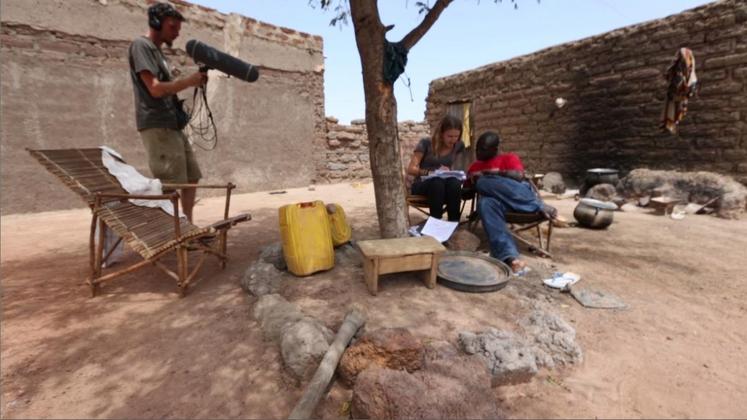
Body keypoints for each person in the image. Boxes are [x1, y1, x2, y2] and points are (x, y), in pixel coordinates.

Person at [128, 2, 207, 222]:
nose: (177, 32)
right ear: (156, 23)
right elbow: (154, 88)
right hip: (157, 124)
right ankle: (170, 233)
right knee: (170, 183)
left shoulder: (158, 53)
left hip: (172, 124)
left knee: (191, 177)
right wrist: (187, 82)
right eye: (173, 27)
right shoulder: (141, 46)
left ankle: (186, 226)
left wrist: (193, 82)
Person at [467, 131, 556, 272]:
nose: (478, 152)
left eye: (483, 149)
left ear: (494, 149)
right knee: (485, 202)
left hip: (518, 196)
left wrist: (490, 174)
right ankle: (509, 256)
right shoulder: (474, 166)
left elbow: (519, 177)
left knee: (484, 181)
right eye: (477, 149)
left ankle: (537, 205)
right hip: (500, 205)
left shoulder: (509, 158)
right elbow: (467, 191)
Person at [405, 115, 466, 221]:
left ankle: (453, 223)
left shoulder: (459, 145)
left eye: (456, 136)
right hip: (423, 184)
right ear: (441, 133)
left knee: (455, 183)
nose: (453, 140)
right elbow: (411, 169)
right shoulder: (426, 143)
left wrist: (449, 172)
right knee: (437, 182)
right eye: (450, 136)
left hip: (445, 183)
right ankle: (435, 223)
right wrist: (431, 172)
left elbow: (457, 168)